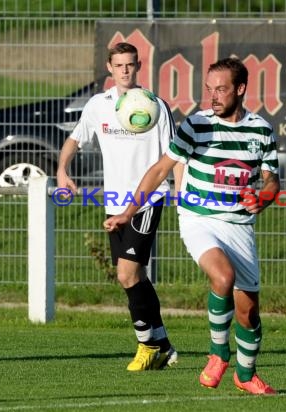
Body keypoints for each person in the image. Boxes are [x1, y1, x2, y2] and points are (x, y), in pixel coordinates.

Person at [104, 57, 280, 394]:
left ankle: (245, 376)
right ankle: (217, 353)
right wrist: (128, 212)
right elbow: (159, 170)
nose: (213, 96)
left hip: (239, 226)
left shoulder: (261, 129)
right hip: (198, 218)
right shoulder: (197, 125)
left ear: (240, 89)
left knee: (249, 313)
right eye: (209, 89)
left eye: (221, 89)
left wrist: (265, 197)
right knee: (222, 277)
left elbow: (272, 180)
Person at [57, 42, 183, 371]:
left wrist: (181, 194)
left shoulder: (155, 106)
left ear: (138, 66)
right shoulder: (99, 106)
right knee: (134, 276)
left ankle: (146, 346)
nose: (125, 70)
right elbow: (74, 139)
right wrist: (61, 170)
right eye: (119, 65)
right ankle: (165, 346)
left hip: (147, 200)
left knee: (126, 274)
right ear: (109, 69)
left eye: (131, 64)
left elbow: (175, 155)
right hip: (114, 204)